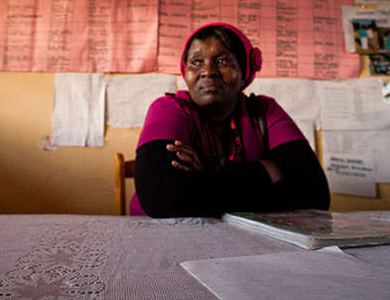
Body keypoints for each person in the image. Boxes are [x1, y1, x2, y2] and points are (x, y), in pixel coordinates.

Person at [130, 23, 330, 217]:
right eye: (196, 62)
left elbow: (315, 194)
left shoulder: (264, 111)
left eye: (221, 61)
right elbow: (161, 198)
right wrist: (266, 171)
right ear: (185, 73)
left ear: (244, 73)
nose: (208, 71)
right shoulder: (169, 109)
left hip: (244, 237)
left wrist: (201, 180)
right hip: (162, 235)